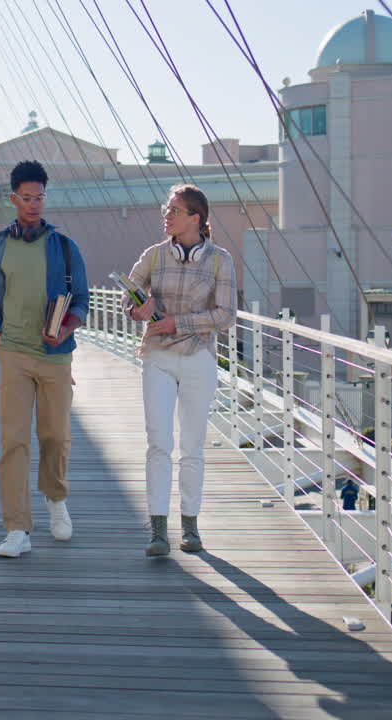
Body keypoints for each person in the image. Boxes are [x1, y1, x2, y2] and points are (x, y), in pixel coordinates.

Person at [0, 160, 89, 558]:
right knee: (13, 441)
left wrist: (66, 328)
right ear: (13, 199)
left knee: (56, 435)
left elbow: (82, 300)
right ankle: (17, 529)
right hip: (14, 355)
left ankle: (55, 499)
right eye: (26, 198)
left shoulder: (63, 246)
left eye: (40, 197)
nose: (34, 204)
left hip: (56, 356)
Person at [124, 184, 237, 556]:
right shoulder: (154, 256)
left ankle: (190, 527)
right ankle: (158, 530)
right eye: (166, 209)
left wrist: (179, 323)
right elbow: (129, 293)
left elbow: (225, 315)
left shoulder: (221, 261)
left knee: (192, 445)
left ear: (196, 218)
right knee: (158, 442)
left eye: (174, 210)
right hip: (156, 355)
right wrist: (136, 309)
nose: (166, 215)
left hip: (198, 358)